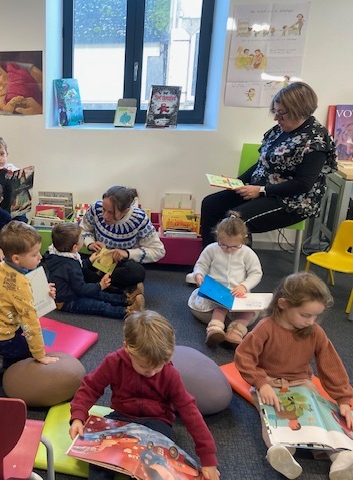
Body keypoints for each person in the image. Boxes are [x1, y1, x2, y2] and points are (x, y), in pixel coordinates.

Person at [69, 310, 220, 480]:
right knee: (99, 459)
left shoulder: (170, 374)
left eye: (158, 366)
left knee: (154, 467)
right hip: (121, 418)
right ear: (127, 348)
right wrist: (78, 416)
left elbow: (190, 413)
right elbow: (90, 388)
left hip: (157, 423)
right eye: (144, 366)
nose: (152, 372)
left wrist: (208, 457)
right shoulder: (114, 362)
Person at [235, 272, 353, 479]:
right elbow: (243, 357)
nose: (311, 321)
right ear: (283, 304)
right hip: (269, 383)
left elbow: (331, 365)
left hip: (302, 383)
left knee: (323, 416)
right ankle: (282, 451)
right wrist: (261, 383)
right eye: (305, 315)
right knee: (273, 418)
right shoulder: (266, 327)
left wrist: (343, 399)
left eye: (315, 316)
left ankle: (342, 457)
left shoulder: (315, 331)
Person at [199, 82, 337, 247]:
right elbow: (263, 163)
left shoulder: (316, 139)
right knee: (210, 204)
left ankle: (240, 263)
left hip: (292, 201)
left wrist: (262, 190)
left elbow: (303, 184)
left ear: (298, 111)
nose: (276, 118)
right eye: (275, 112)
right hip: (261, 190)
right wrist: (238, 182)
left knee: (237, 220)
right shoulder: (280, 130)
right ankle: (210, 256)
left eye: (281, 113)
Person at [0, 221, 58, 391]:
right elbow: (30, 322)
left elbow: (12, 293)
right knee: (27, 352)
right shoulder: (20, 284)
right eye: (34, 255)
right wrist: (40, 355)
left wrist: (41, 290)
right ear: (17, 258)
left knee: (21, 337)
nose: (40, 257)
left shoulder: (1, 267)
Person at [188, 212, 263, 347]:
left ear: (244, 239)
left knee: (251, 311)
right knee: (221, 306)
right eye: (224, 245)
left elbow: (256, 273)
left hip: (238, 293)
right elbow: (201, 266)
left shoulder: (247, 253)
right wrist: (198, 275)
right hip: (216, 292)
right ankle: (215, 329)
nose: (229, 250)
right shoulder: (211, 249)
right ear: (217, 236)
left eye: (234, 246)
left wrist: (244, 286)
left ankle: (236, 332)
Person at [45, 222, 146, 318]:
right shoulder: (69, 265)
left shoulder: (59, 254)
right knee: (98, 305)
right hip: (68, 301)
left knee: (99, 294)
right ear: (75, 247)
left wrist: (90, 260)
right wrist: (100, 285)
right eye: (82, 238)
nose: (83, 239)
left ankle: (126, 299)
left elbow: (78, 267)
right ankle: (127, 312)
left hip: (71, 290)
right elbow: (81, 288)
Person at [81, 186, 165, 293]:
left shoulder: (139, 219)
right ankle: (119, 290)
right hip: (96, 258)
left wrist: (126, 253)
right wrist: (90, 243)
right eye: (103, 209)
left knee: (137, 272)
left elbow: (158, 251)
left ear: (126, 211)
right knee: (71, 264)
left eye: (111, 212)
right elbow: (83, 229)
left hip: (120, 264)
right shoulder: (95, 208)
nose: (105, 216)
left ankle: (97, 284)